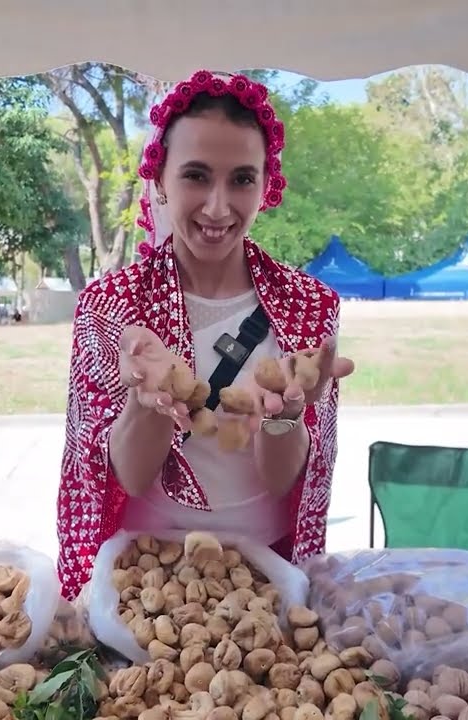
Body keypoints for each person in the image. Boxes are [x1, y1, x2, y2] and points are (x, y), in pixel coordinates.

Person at [57, 70, 356, 599]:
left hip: (259, 581)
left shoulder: (308, 307)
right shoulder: (111, 306)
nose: (218, 207)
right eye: (196, 176)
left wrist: (286, 415)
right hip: (146, 584)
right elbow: (126, 477)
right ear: (160, 179)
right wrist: (149, 400)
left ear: (265, 186)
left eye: (241, 180)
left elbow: (284, 483)